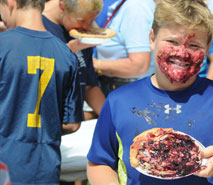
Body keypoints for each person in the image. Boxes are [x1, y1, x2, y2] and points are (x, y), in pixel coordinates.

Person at [86, 0, 213, 185]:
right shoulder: (119, 100)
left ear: (207, 47)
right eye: (172, 41)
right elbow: (99, 162)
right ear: (152, 39)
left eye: (194, 45)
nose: (182, 53)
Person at [0, 0, 83, 184]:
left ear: (11, 3)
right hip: (44, 167)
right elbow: (72, 123)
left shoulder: (3, 45)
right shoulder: (66, 54)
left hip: (5, 165)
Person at [43, 0, 106, 120]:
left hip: (74, 124)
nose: (86, 27)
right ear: (62, 6)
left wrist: (112, 118)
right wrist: (68, 50)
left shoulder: (79, 32)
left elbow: (89, 86)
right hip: (49, 125)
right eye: (81, 20)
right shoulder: (40, 28)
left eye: (92, 21)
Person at [92, 0, 156, 97]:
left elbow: (139, 65)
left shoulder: (137, 6)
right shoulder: (128, 5)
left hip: (128, 89)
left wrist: (96, 65)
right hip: (117, 86)